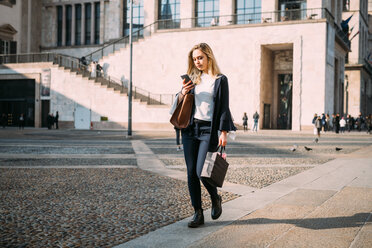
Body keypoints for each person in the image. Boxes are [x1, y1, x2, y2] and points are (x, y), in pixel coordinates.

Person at [174, 43, 236, 228]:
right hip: (190, 129)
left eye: (200, 57)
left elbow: (224, 107)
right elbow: (180, 101)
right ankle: (197, 213)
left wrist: (224, 132)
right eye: (194, 59)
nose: (197, 62)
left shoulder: (220, 79)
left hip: (208, 131)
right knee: (191, 172)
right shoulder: (193, 78)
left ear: (208, 56)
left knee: (203, 171)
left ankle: (215, 197)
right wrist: (183, 93)